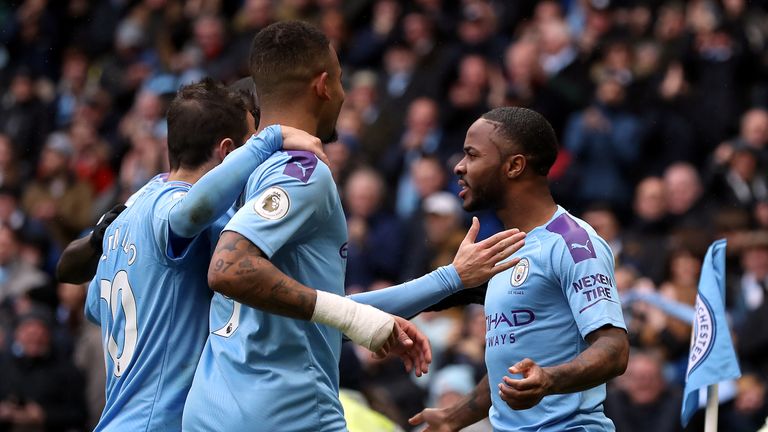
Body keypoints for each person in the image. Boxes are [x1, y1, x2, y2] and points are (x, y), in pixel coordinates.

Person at [182, 21, 526, 432]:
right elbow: (230, 269)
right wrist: (354, 318)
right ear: (323, 85)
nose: (344, 94)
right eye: (342, 80)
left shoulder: (237, 176)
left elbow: (316, 311)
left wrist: (450, 279)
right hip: (286, 413)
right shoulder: (302, 172)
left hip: (212, 409)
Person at [81, 78, 328, 431]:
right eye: (249, 142)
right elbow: (188, 214)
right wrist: (270, 139)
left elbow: (95, 307)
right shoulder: (175, 212)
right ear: (229, 151)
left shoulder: (129, 213)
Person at [409, 107, 629, 431]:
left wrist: (550, 380)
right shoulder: (507, 248)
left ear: (514, 166)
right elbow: (511, 369)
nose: (458, 166)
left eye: (471, 155)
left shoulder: (573, 242)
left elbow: (614, 349)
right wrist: (452, 418)